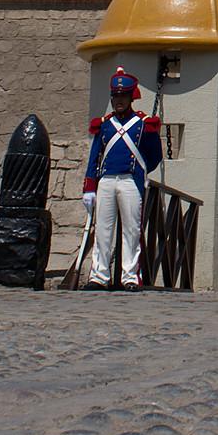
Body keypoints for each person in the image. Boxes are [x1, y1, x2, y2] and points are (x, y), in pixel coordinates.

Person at [82, 66, 164, 290]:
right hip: (107, 180)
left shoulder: (143, 124)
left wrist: (142, 171)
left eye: (123, 96)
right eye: (115, 96)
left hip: (130, 181)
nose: (118, 100)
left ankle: (129, 276)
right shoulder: (105, 124)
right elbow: (95, 156)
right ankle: (99, 276)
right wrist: (90, 187)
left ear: (131, 97)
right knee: (103, 230)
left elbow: (154, 155)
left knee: (131, 230)